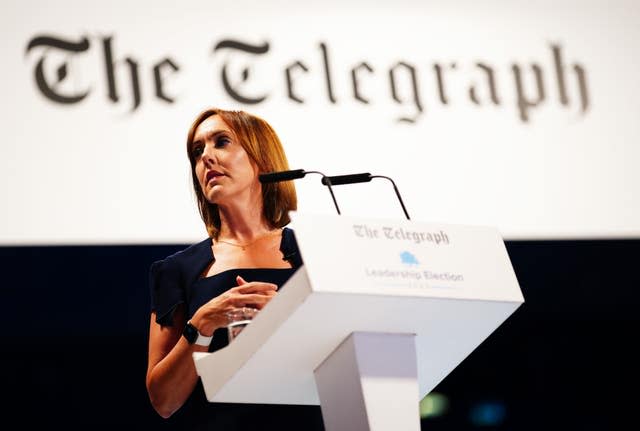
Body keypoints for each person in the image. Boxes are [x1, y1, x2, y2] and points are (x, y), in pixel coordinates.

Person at [145, 108, 324, 430]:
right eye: (197, 151)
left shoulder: (318, 252)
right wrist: (201, 325)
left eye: (222, 142)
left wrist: (287, 321)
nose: (207, 158)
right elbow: (164, 401)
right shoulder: (177, 270)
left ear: (262, 159)